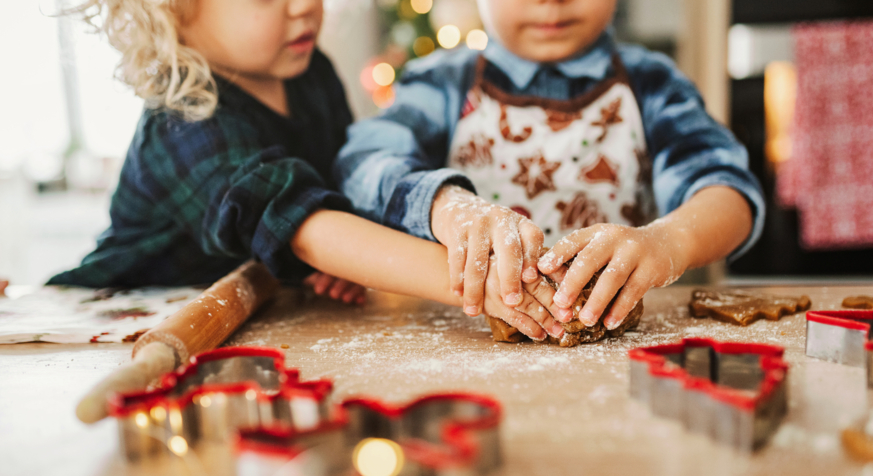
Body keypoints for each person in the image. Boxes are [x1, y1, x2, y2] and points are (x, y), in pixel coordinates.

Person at [48, 0, 565, 333]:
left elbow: (339, 189)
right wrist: (480, 285)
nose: (304, 8)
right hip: (112, 319)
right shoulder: (182, 115)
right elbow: (305, 228)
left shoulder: (310, 72)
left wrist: (340, 262)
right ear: (173, 10)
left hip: (254, 308)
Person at [335, 0, 764, 336]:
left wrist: (667, 242)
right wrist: (446, 206)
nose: (551, 1)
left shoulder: (652, 84)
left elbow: (727, 192)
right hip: (469, 349)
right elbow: (364, 165)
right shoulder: (441, 83)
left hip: (619, 355)